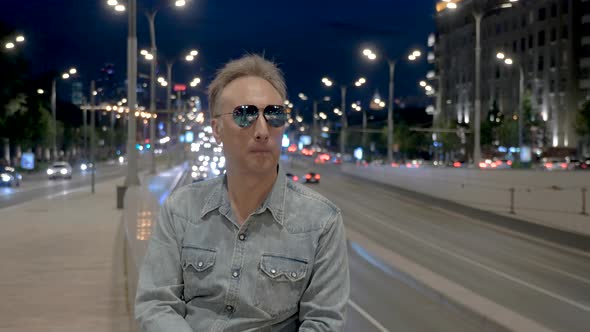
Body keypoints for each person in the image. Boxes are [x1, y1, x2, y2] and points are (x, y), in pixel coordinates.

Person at [135, 54, 350, 331]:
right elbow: (156, 304)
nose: (262, 130)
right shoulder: (181, 209)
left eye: (274, 114)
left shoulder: (322, 222)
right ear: (217, 129)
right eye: (244, 114)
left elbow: (324, 324)